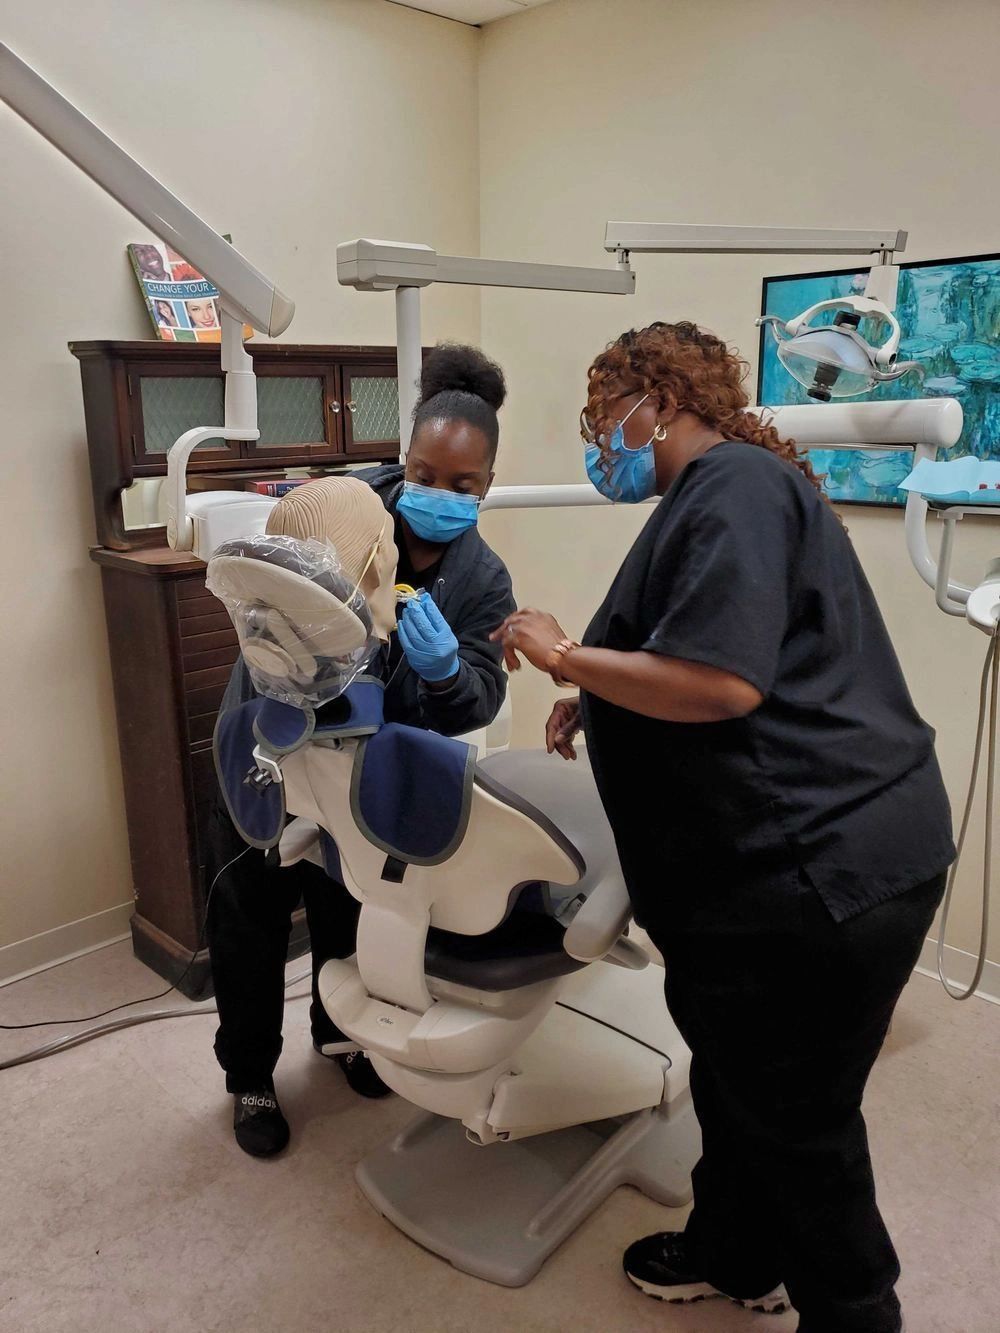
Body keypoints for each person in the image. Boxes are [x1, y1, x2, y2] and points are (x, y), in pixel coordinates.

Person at [491, 321, 954, 1333]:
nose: (598, 438)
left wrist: (562, 653)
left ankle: (857, 1314)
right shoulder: (724, 493)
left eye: (602, 416)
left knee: (799, 1123)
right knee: (740, 1076)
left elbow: (721, 680)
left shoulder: (734, 487)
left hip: (815, 872)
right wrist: (604, 695)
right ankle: (734, 1253)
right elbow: (699, 651)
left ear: (657, 402)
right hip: (829, 856)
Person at [206, 344, 516, 1157]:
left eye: (464, 484)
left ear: (488, 483)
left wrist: (447, 673)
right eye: (424, 472)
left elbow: (480, 694)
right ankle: (248, 1074)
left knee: (349, 910)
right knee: (252, 916)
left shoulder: (483, 580)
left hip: (361, 771)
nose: (441, 494)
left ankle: (340, 1039)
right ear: (402, 459)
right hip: (273, 746)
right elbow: (262, 590)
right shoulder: (341, 508)